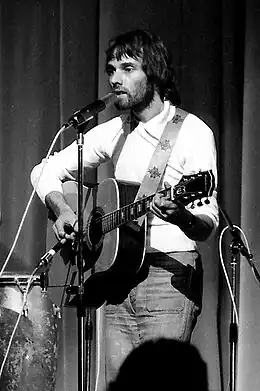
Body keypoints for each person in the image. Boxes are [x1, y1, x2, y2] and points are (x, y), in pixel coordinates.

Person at [31, 29, 218, 388]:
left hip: (167, 276)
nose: (115, 78)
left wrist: (180, 214)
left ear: (154, 73)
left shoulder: (192, 132)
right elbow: (43, 170)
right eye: (111, 69)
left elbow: (207, 222)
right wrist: (64, 209)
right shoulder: (113, 132)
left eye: (128, 68)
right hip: (118, 277)